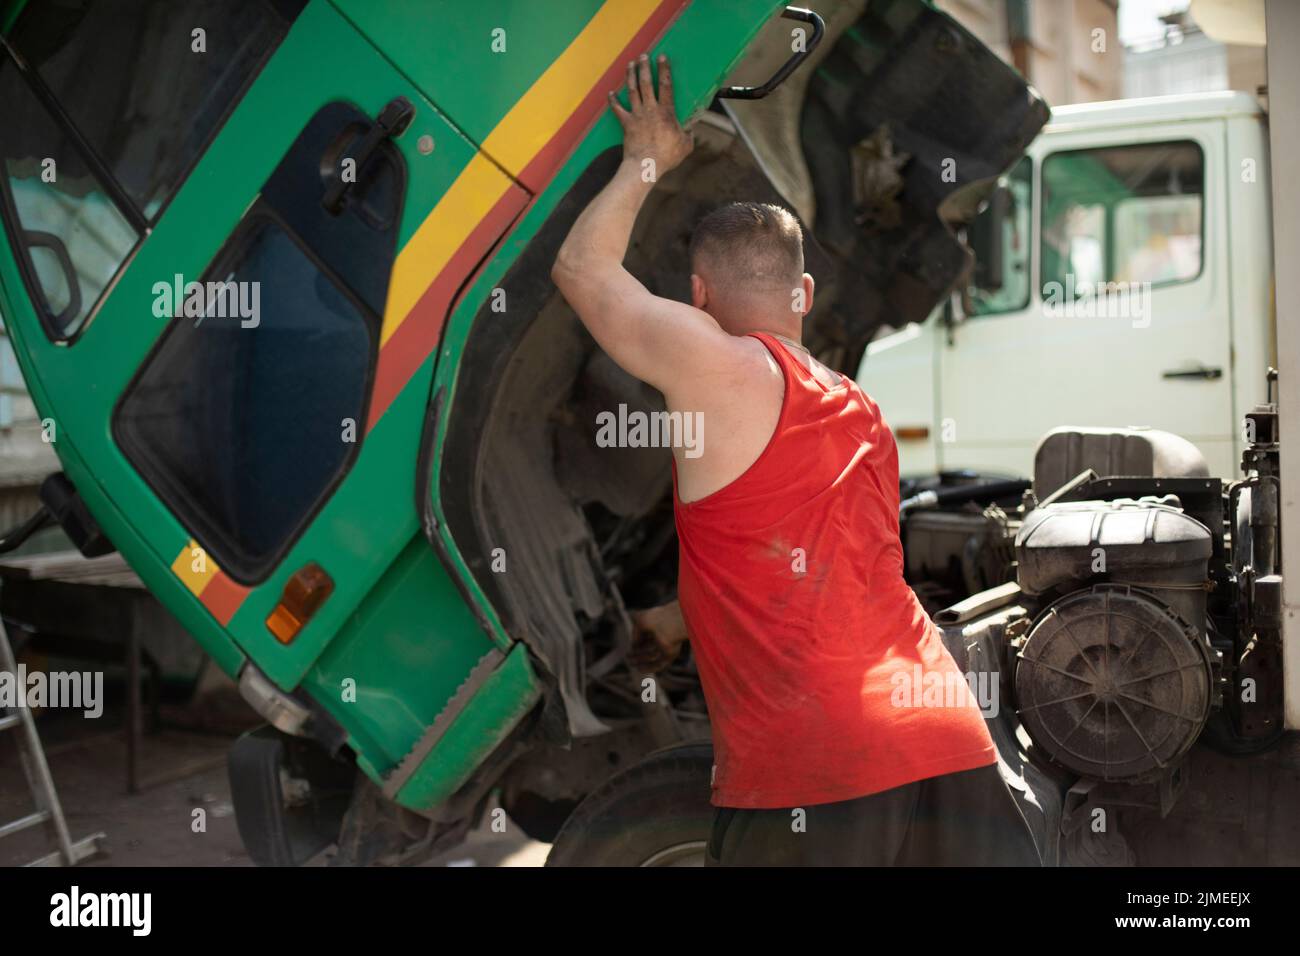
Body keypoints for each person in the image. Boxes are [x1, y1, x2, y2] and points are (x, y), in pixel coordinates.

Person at [552, 53, 1039, 867]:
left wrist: (649, 158)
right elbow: (819, 570)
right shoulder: (860, 414)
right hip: (939, 729)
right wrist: (675, 623)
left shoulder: (715, 364)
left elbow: (581, 271)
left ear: (699, 300)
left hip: (819, 761)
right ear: (805, 295)